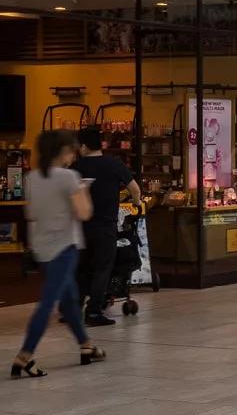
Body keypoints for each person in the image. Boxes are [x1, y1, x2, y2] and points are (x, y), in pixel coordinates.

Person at [9, 130, 104, 378]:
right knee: (49, 302)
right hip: (65, 247)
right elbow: (84, 213)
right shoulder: (69, 177)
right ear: (63, 151)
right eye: (72, 151)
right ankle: (25, 354)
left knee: (69, 301)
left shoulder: (31, 178)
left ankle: (86, 346)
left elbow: (30, 214)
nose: (74, 155)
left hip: (42, 248)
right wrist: (82, 191)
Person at [71, 126, 139, 326]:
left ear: (82, 146)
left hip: (80, 227)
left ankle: (73, 310)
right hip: (105, 227)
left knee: (82, 270)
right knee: (102, 269)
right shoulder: (114, 164)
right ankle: (93, 312)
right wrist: (136, 202)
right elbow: (134, 189)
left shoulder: (76, 167)